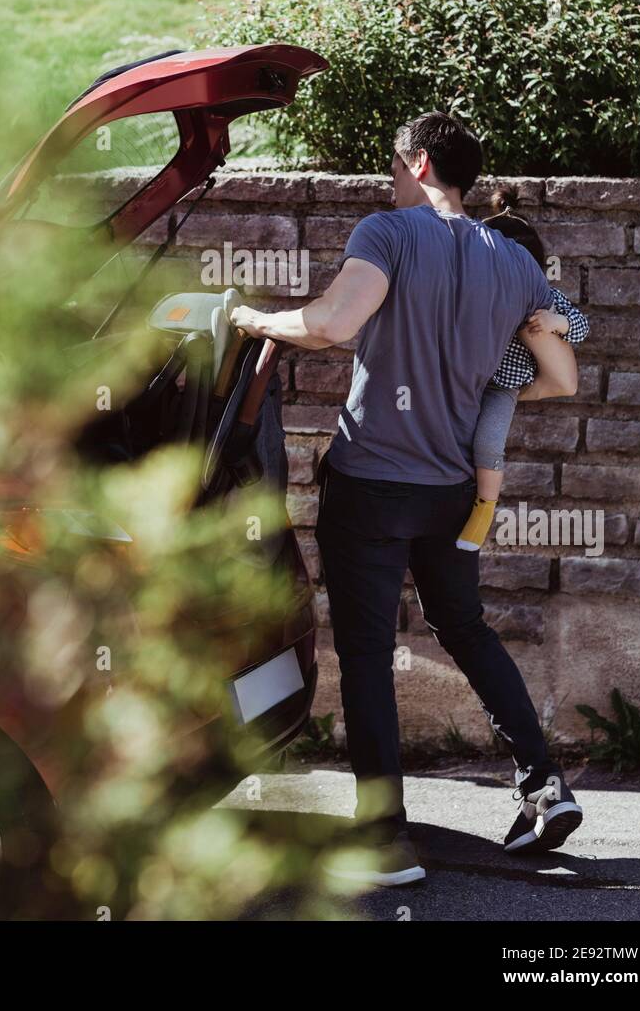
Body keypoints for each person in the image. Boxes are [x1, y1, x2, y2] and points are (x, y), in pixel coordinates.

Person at [230, 113, 583, 886]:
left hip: (373, 484)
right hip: (450, 490)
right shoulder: (512, 261)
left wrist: (253, 317)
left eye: (394, 165)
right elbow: (561, 377)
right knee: (466, 628)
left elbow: (334, 323)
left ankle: (386, 840)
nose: (389, 179)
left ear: (420, 163)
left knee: (364, 655)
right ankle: (543, 785)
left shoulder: (389, 232)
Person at [456, 184, 590, 552]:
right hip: (469, 378)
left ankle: (484, 510)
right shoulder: (474, 292)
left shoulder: (545, 297)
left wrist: (555, 322)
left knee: (487, 442)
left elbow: (582, 326)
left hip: (503, 388)